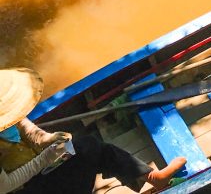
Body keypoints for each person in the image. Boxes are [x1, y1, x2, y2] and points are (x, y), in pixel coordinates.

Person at [0, 67, 186, 194]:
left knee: (87, 145)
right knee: (86, 154)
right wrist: (46, 158)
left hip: (40, 169)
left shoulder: (8, 108)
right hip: (23, 188)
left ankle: (154, 178)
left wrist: (48, 139)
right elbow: (5, 186)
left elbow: (27, 129)